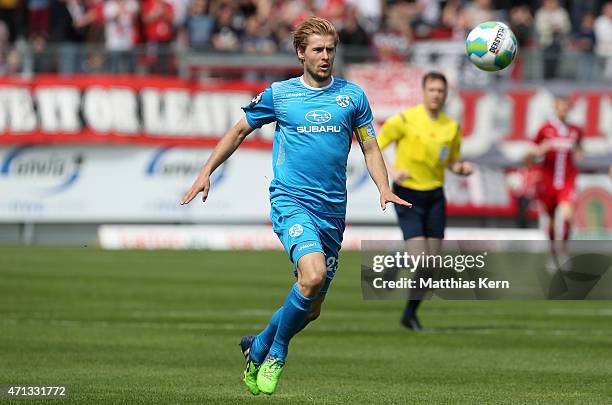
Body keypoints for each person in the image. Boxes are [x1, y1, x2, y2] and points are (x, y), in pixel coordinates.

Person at [180, 16, 411, 395]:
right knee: (313, 274)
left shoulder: (352, 97)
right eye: (318, 50)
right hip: (291, 202)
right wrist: (206, 171)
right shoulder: (280, 94)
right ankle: (276, 353)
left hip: (333, 211)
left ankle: (258, 344)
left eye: (331, 50)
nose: (325, 57)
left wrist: (383, 188)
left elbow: (369, 145)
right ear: (300, 53)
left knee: (312, 304)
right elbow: (239, 130)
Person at [377, 72, 473, 331]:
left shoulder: (450, 127)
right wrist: (393, 170)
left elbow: (451, 161)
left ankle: (409, 314)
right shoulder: (406, 119)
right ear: (423, 91)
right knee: (421, 259)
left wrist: (460, 168)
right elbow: (375, 145)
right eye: (432, 90)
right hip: (407, 193)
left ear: (446, 94)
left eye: (440, 91)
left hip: (435, 196)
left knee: (432, 265)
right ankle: (396, 257)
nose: (436, 95)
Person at [527, 95, 583, 266]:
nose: (563, 110)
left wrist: (580, 154)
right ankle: (552, 253)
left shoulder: (575, 131)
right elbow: (531, 154)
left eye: (566, 107)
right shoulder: (545, 129)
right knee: (550, 220)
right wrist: (539, 151)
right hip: (548, 181)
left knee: (567, 216)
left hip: (567, 181)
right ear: (555, 108)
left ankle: (563, 252)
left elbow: (580, 150)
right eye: (560, 107)